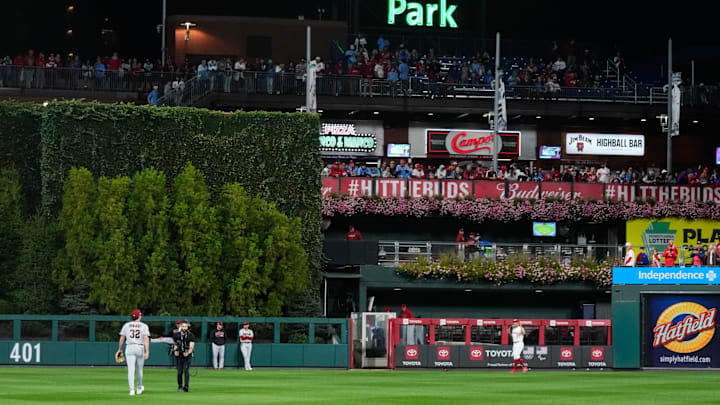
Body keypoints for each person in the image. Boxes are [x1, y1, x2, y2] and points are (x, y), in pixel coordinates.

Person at [117, 309, 150, 396]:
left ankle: (132, 390)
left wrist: (119, 349)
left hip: (130, 347)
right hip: (139, 347)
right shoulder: (144, 326)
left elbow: (122, 338)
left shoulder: (127, 325)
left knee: (131, 370)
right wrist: (147, 351)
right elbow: (146, 338)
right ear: (139, 316)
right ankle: (139, 388)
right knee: (139, 370)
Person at [173, 321, 195, 392]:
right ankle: (180, 386)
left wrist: (188, 352)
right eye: (183, 326)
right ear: (180, 327)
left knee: (186, 370)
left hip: (187, 355)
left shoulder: (191, 335)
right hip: (179, 355)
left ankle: (186, 386)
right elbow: (175, 345)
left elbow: (191, 347)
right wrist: (175, 351)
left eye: (186, 326)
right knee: (179, 372)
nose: (184, 328)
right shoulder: (177, 335)